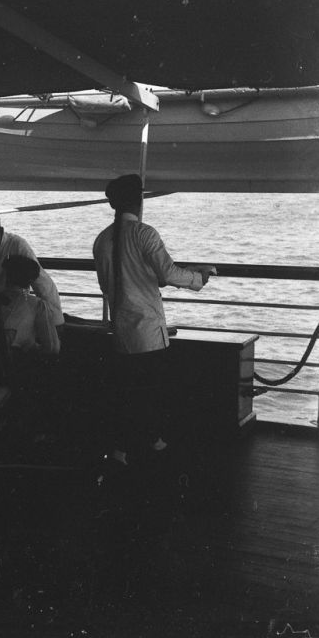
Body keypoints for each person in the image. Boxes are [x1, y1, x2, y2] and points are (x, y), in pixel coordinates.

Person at [92, 172, 213, 465]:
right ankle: (155, 445)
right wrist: (200, 277)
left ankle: (121, 451)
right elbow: (169, 274)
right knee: (152, 393)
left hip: (121, 330)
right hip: (146, 330)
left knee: (127, 392)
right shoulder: (144, 234)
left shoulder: (101, 240)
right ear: (138, 201)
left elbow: (110, 283)